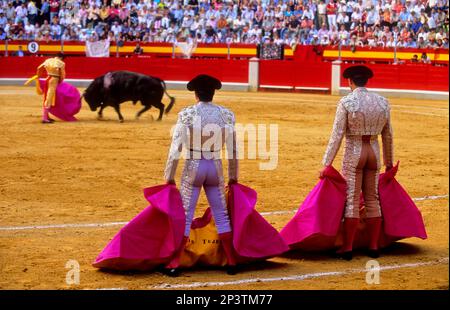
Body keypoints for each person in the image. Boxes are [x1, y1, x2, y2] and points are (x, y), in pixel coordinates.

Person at [162, 74, 238, 276]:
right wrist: (233, 176)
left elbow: (175, 148)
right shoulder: (227, 115)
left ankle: (175, 262)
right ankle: (231, 261)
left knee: (186, 216)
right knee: (221, 215)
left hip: (193, 166)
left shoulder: (186, 114)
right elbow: (233, 150)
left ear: (195, 94)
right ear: (213, 94)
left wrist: (168, 176)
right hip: (215, 166)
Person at [320, 65, 394, 261]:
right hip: (374, 152)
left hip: (354, 152)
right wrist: (389, 162)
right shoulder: (383, 102)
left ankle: (348, 247)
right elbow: (388, 135)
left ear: (350, 82)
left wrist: (326, 163)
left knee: (352, 200)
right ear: (366, 81)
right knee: (372, 198)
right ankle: (373, 246)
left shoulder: (346, 102)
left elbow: (337, 135)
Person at [36, 52, 66, 123]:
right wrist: (60, 81)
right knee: (49, 98)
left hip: (47, 78)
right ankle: (45, 118)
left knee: (46, 97)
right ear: (61, 58)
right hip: (54, 80)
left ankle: (47, 116)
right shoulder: (61, 63)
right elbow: (62, 75)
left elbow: (39, 68)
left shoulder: (48, 60)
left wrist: (38, 77)